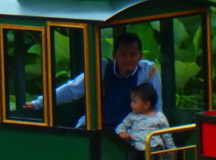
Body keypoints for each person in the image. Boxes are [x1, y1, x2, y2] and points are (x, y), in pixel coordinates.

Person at [29, 31, 162, 128]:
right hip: (100, 129)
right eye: (123, 54)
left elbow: (157, 105)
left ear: (141, 56)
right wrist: (38, 103)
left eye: (133, 54)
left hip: (129, 130)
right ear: (114, 55)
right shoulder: (102, 69)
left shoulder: (148, 72)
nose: (128, 59)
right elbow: (72, 89)